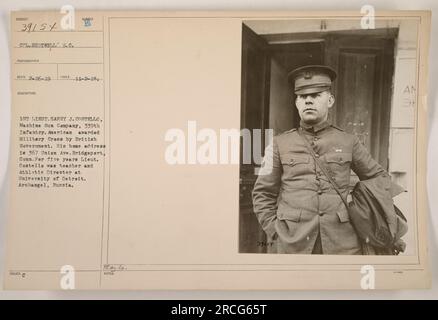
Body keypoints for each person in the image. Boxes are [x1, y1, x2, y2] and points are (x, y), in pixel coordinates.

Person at [252, 65, 390, 255]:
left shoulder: (349, 141)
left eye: (316, 95)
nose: (308, 100)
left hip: (343, 244)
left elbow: (380, 179)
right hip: (293, 243)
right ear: (297, 103)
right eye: (302, 96)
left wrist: (357, 203)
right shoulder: (279, 144)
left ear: (330, 100)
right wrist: (275, 232)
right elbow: (262, 193)